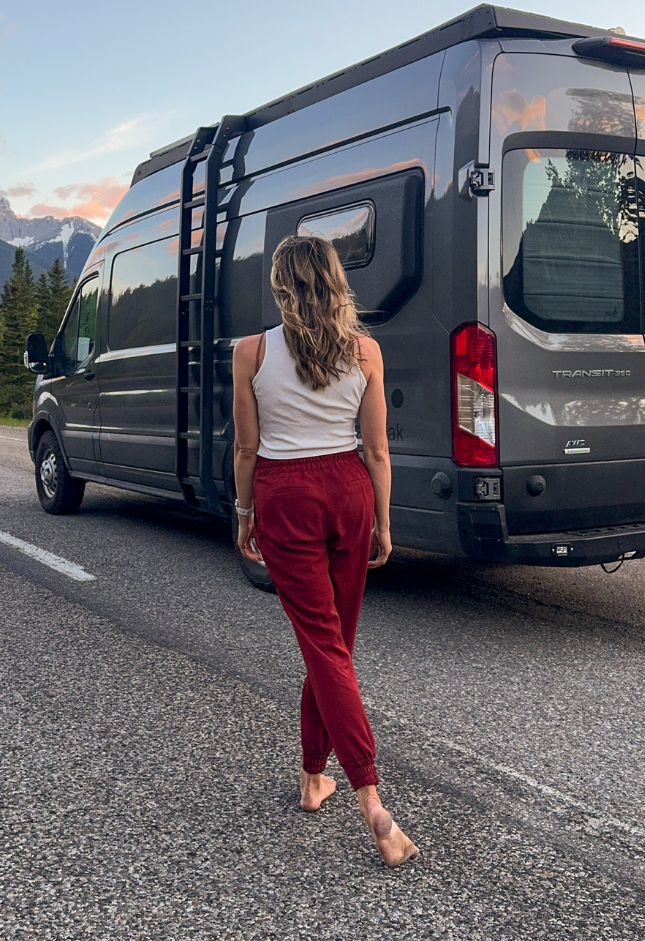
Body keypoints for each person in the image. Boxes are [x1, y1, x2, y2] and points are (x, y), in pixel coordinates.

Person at [232, 234, 418, 868]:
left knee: (323, 644)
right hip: (348, 492)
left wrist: (245, 510)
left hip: (286, 494)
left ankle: (369, 795)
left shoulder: (251, 351)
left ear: (282, 286)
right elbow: (377, 450)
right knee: (333, 643)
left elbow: (247, 449)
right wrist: (385, 521)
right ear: (337, 282)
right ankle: (315, 777)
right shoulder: (365, 351)